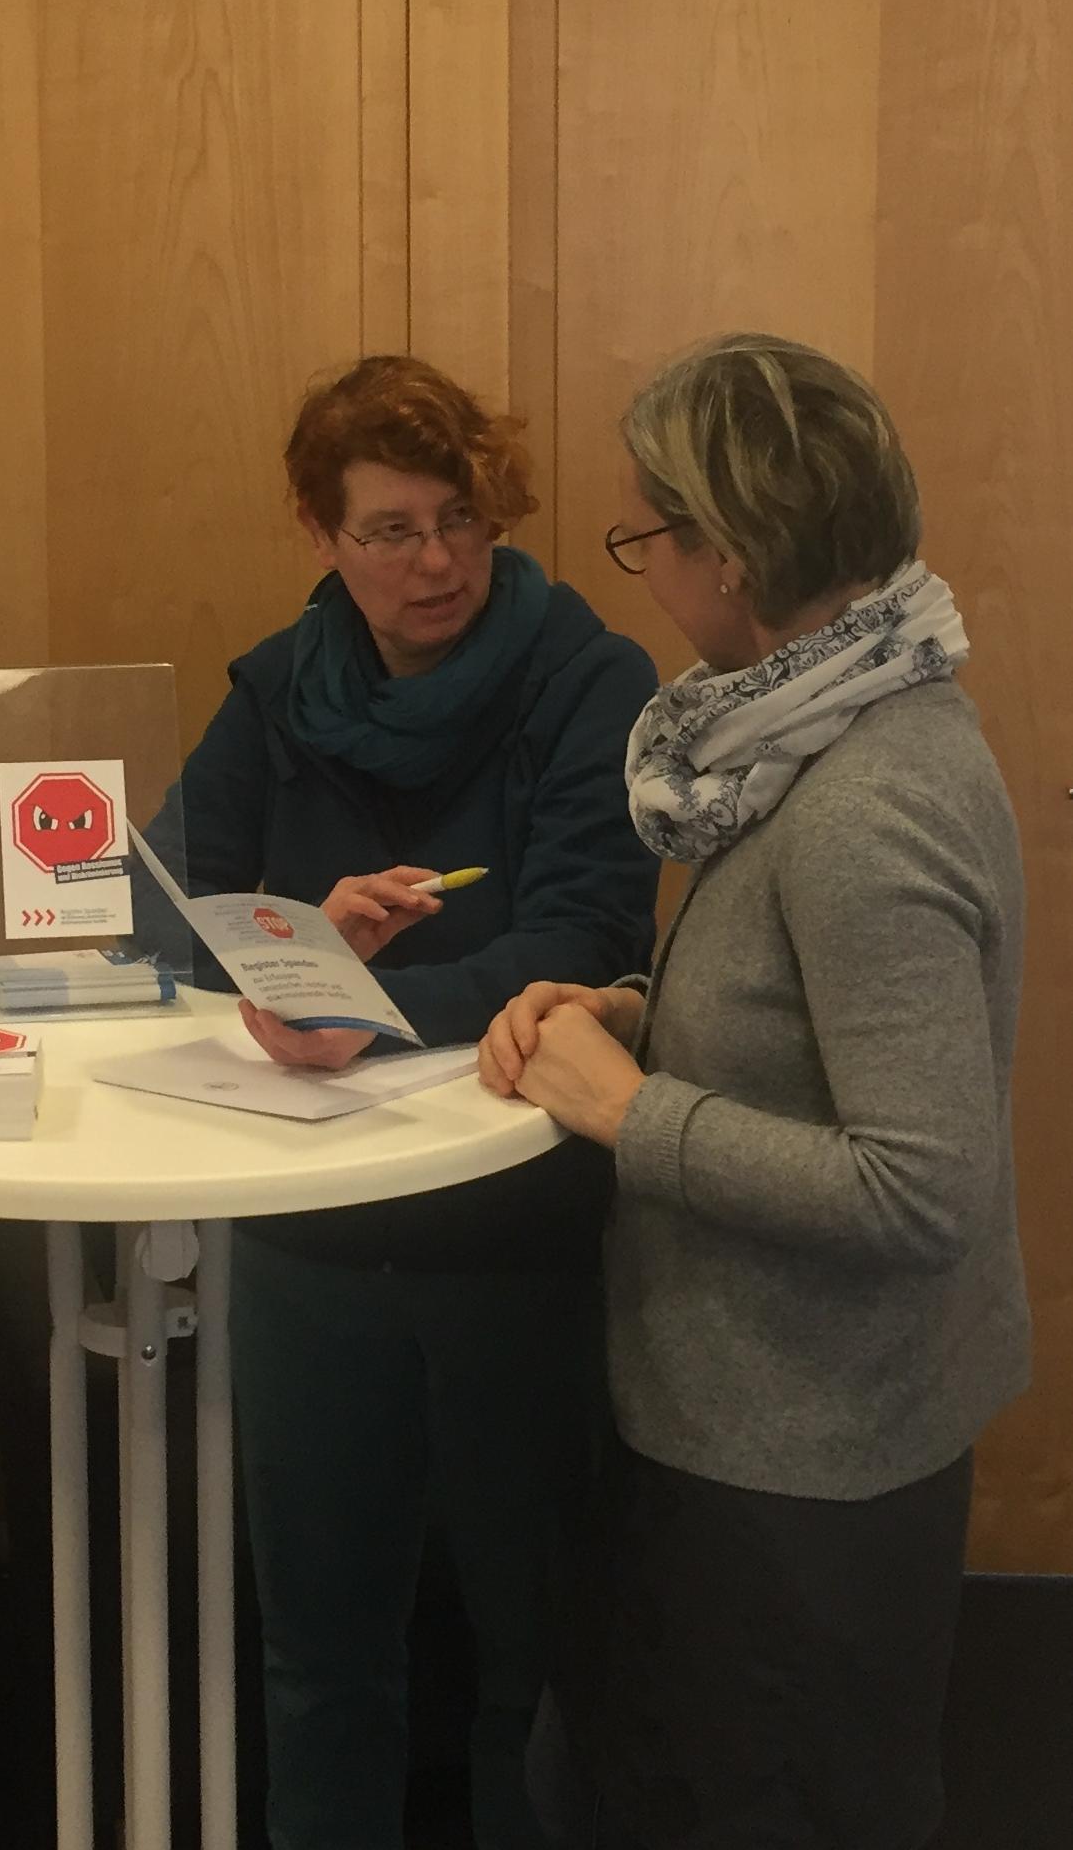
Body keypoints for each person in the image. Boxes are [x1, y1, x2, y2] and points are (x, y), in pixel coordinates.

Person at [479, 333, 1031, 1849]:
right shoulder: (830, 715)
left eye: (644, 541)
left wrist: (624, 1110)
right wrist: (640, 1019)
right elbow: (809, 1024)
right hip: (765, 1428)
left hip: (801, 1466)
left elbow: (917, 1186)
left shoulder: (864, 798)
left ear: (727, 551)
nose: (641, 572)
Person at [158, 355, 660, 1850]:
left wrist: (352, 1009)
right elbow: (164, 913)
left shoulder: (590, 678)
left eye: (460, 521)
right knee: (318, 1660)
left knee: (536, 1666)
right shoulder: (277, 685)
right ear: (319, 533)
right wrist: (289, 945)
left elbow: (583, 946)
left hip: (515, 1231)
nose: (435, 563)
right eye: (388, 531)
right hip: (308, 1234)